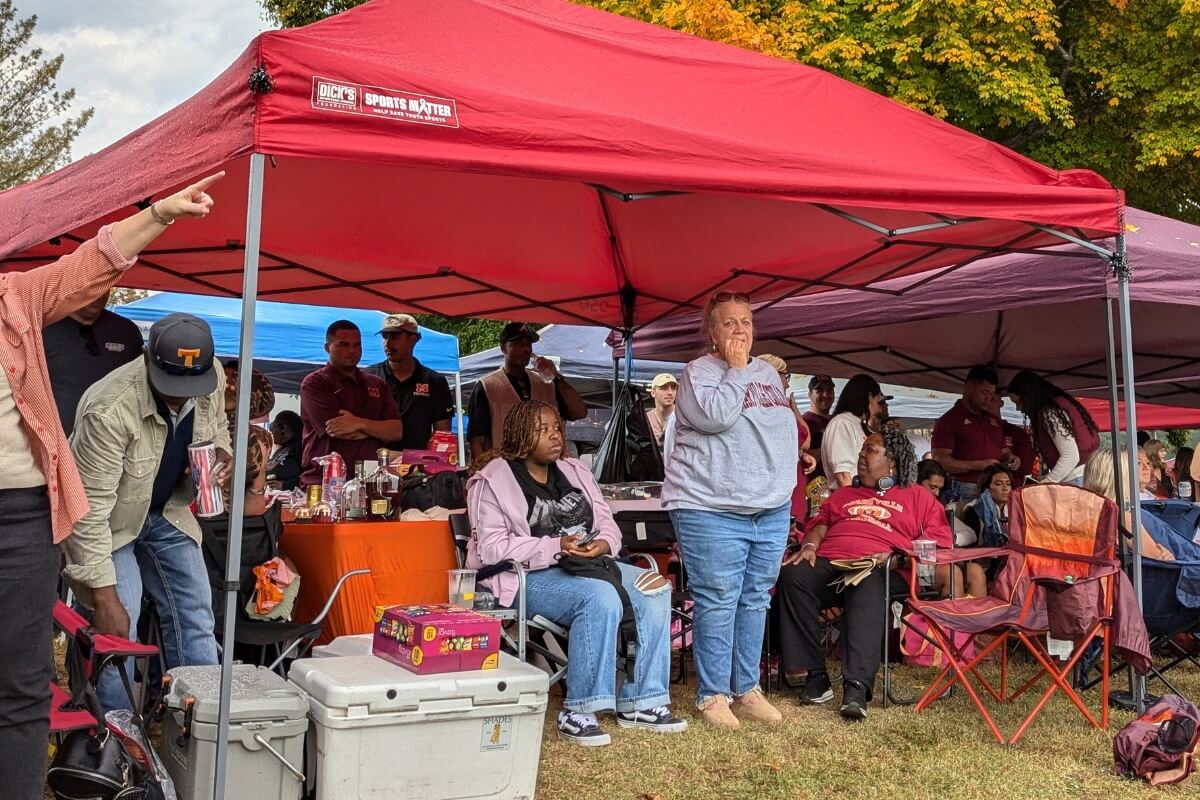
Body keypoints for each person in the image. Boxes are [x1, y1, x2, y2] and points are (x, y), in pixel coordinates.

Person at [0, 171, 222, 800]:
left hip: (24, 512)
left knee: (21, 686)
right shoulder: (108, 406)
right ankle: (114, 731)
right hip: (101, 517)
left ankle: (180, 741)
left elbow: (89, 265)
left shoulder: (13, 298)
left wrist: (161, 213)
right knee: (109, 615)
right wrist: (101, 589)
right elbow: (95, 512)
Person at [466, 400, 685, 746]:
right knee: (598, 598)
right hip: (527, 576)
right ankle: (579, 709)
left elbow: (607, 524)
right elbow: (491, 548)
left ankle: (642, 700)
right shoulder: (492, 479)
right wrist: (555, 546)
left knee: (654, 586)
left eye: (557, 428)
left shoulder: (576, 471)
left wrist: (604, 545)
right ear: (521, 434)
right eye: (543, 430)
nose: (555, 435)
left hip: (590, 563)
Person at [66, 312, 232, 712]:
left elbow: (218, 425)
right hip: (110, 524)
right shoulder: (109, 409)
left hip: (167, 510)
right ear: (147, 359)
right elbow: (86, 513)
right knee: (120, 625)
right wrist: (103, 597)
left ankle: (199, 731)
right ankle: (112, 740)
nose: (181, 395)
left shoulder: (211, 377)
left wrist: (223, 451)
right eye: (172, 385)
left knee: (196, 612)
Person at [662, 292, 797, 729]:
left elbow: (776, 429)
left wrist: (793, 463)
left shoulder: (769, 376)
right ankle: (712, 695)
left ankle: (747, 689)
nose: (741, 331)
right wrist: (737, 370)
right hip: (709, 506)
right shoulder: (697, 374)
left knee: (755, 598)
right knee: (719, 599)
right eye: (729, 324)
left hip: (769, 507)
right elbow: (716, 418)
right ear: (712, 333)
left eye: (746, 322)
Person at [776, 429, 953, 720]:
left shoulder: (918, 497)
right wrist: (809, 546)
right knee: (794, 574)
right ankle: (816, 676)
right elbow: (821, 523)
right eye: (861, 451)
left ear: (893, 462)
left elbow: (937, 544)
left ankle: (857, 686)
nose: (861, 456)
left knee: (869, 581)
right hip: (832, 564)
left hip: (883, 569)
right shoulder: (844, 495)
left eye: (870, 451)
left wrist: (896, 557)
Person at [299, 320, 402, 485]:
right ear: (327, 348)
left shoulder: (377, 384)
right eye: (343, 345)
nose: (352, 350)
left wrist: (357, 423)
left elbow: (396, 431)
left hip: (370, 481)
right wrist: (377, 429)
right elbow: (338, 430)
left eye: (357, 345)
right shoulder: (315, 383)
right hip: (325, 482)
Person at [467, 323, 587, 462]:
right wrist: (481, 472)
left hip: (546, 471)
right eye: (518, 343)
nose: (526, 349)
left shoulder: (547, 383)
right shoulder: (487, 386)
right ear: (503, 348)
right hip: (505, 471)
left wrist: (556, 377)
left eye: (528, 344)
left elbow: (579, 412)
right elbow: (477, 439)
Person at [42, 289, 144, 436]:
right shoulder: (44, 328)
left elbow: (140, 385)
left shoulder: (126, 331)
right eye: (93, 286)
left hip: (111, 440)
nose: (99, 294)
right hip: (54, 439)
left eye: (105, 287)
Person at [366, 313, 455, 451]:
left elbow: (443, 436)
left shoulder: (435, 381)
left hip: (417, 467)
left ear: (413, 339)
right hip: (374, 465)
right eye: (385, 337)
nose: (388, 344)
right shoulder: (368, 377)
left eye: (394, 337)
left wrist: (434, 466)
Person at [930, 366, 1012, 503]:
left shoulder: (993, 420)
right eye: (984, 392)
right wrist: (979, 465)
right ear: (969, 387)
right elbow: (941, 461)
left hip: (995, 488)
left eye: (991, 394)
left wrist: (1011, 458)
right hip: (966, 488)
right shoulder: (949, 420)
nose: (988, 398)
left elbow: (1004, 451)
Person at [1005, 370, 1099, 485]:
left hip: (1075, 479)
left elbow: (1070, 457)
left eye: (1018, 403)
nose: (1018, 409)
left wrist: (1044, 484)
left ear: (1029, 397)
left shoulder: (1050, 412)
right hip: (1085, 475)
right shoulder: (1058, 405)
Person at [1083, 448, 1175, 562]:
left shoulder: (1082, 511)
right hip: (1143, 576)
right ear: (1123, 478)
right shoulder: (1121, 517)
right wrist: (1168, 557)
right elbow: (1160, 559)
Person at [760, 354, 816, 523]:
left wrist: (799, 453)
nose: (788, 383)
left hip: (787, 487)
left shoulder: (779, 406)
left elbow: (801, 444)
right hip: (776, 494)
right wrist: (794, 408)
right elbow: (805, 440)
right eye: (786, 376)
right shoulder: (768, 408)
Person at [821, 373, 891, 488]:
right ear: (870, 397)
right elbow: (843, 474)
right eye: (879, 399)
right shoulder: (842, 423)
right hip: (851, 499)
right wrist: (853, 501)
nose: (882, 404)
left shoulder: (858, 423)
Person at [959, 465, 1014, 597]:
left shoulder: (1017, 509)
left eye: (1008, 484)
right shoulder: (974, 510)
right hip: (985, 562)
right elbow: (971, 544)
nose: (1005, 488)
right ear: (987, 488)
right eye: (998, 484)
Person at [803, 375, 835, 480]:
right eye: (820, 391)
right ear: (810, 394)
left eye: (829, 390)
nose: (825, 395)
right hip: (816, 487)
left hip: (836, 484)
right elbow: (799, 455)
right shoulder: (804, 422)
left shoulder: (836, 420)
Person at [267, 410, 304, 490]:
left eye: (273, 428)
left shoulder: (300, 449)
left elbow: (306, 475)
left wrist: (286, 485)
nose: (272, 432)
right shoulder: (283, 448)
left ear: (283, 428)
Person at [646, 372, 678, 448]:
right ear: (653, 393)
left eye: (673, 388)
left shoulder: (684, 418)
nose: (670, 392)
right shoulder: (645, 419)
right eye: (664, 388)